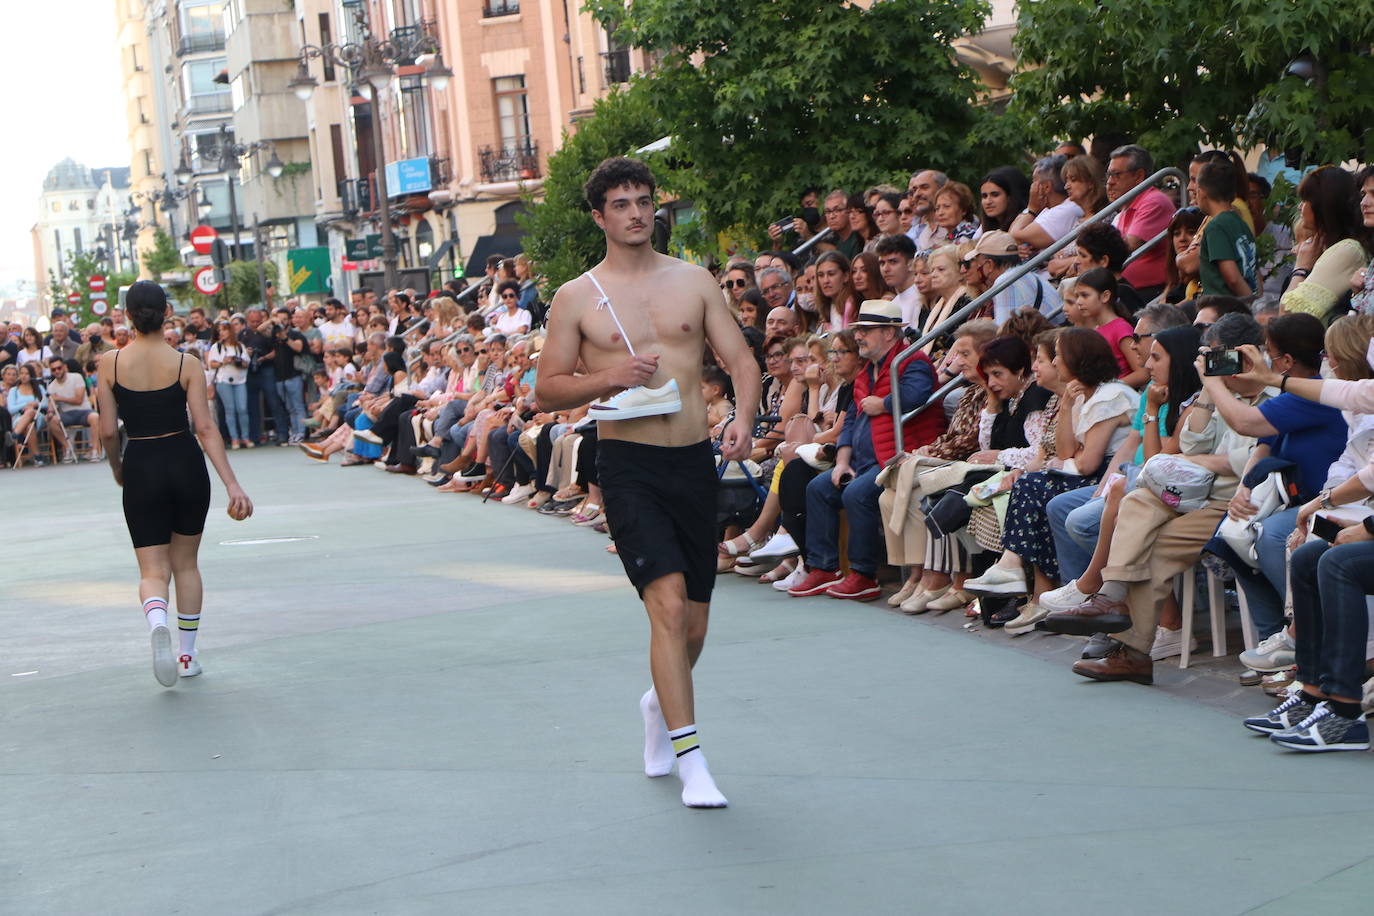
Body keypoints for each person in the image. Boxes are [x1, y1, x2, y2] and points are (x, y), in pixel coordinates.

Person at [535, 157, 759, 808]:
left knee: (692, 627)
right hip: (627, 465)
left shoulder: (693, 281)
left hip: (692, 460)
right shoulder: (576, 297)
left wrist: (742, 419)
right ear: (600, 216)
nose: (636, 213)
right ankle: (693, 760)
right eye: (622, 204)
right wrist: (611, 377)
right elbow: (546, 389)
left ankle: (660, 703)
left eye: (644, 201)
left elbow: (741, 361)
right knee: (663, 606)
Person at [93, 281, 253, 687]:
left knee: (152, 568)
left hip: (142, 462)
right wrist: (233, 484)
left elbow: (109, 431)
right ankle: (186, 654)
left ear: (127, 316)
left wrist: (117, 467)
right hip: (184, 462)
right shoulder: (187, 364)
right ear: (167, 312)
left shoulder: (109, 364)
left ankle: (157, 622)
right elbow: (205, 428)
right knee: (186, 563)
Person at [788, 299, 941, 601]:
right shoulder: (866, 371)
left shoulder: (914, 361)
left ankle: (863, 574)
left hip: (897, 459)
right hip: (863, 460)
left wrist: (882, 403)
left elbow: (918, 394)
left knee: (856, 494)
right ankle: (823, 568)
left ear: (889, 333)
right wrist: (842, 460)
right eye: (858, 330)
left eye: (866, 330)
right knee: (818, 488)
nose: (858, 336)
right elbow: (851, 423)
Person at [1108, 144, 1176, 301]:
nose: (1110, 182)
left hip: (1147, 293)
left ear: (1139, 176)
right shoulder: (1129, 204)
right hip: (1128, 288)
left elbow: (1124, 248)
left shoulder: (1153, 201)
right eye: (1109, 175)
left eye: (1116, 175)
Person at [1190, 160, 1256, 297]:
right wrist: (1256, 299)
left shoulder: (1215, 227)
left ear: (1202, 193)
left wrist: (1250, 304)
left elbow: (1232, 277)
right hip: (1244, 303)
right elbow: (1255, 271)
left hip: (1221, 307)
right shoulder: (1241, 222)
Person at [45, 355, 101, 462]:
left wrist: (59, 398)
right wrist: (50, 413)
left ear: (64, 367)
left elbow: (78, 400)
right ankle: (68, 448)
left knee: (95, 417)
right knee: (52, 421)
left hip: (83, 411)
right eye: (53, 369)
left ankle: (94, 450)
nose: (57, 371)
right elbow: (51, 406)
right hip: (67, 414)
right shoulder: (51, 386)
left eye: (59, 368)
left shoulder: (76, 377)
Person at [207, 321, 252, 449]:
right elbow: (211, 364)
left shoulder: (239, 346)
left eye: (224, 329)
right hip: (223, 380)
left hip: (240, 380)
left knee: (242, 408)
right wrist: (224, 361)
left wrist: (239, 361)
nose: (221, 332)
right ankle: (234, 439)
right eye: (219, 330)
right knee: (230, 410)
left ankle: (245, 437)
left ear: (230, 331)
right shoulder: (217, 347)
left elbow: (246, 363)